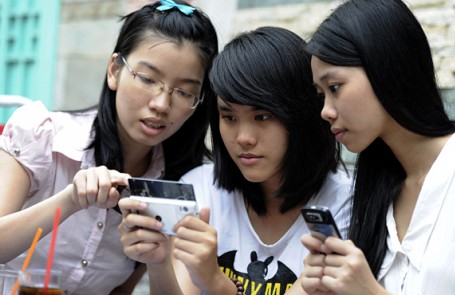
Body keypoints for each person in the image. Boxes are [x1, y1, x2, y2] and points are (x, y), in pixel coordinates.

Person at [0, 1, 218, 294]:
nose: (161, 104)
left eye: (184, 92)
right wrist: (70, 201)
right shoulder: (42, 134)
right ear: (115, 70)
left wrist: (158, 260)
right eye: (148, 79)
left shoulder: (176, 185)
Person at [118, 26, 353, 295]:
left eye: (262, 116)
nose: (243, 138)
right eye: (229, 117)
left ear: (302, 115)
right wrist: (158, 264)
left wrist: (214, 281)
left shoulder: (344, 204)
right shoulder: (201, 189)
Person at [300, 0, 455, 294]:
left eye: (335, 87)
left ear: (386, 67)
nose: (326, 110)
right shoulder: (375, 188)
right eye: (321, 94)